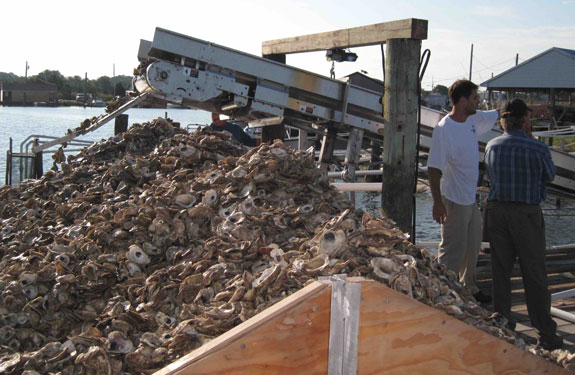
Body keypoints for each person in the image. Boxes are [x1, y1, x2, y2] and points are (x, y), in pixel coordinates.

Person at [484, 98, 562, 350]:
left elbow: (489, 177)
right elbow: (549, 175)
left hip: (497, 212)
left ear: (504, 121)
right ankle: (545, 332)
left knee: (501, 271)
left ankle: (503, 321)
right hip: (526, 214)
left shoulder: (492, 146)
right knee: (534, 274)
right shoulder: (537, 149)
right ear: (525, 120)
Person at [427, 80, 499, 304]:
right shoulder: (444, 130)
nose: (478, 101)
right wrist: (437, 203)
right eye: (475, 97)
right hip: (453, 200)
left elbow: (497, 113)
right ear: (462, 100)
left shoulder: (473, 119)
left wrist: (527, 110)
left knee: (472, 247)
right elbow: (433, 168)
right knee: (452, 250)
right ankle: (442, 291)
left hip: (470, 199)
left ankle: (468, 287)